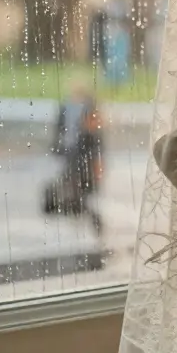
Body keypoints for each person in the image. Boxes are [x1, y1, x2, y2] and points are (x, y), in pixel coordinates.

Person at [51, 83, 104, 238]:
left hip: (83, 157)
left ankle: (93, 224)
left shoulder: (89, 109)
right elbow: (59, 129)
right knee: (76, 192)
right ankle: (90, 225)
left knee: (81, 194)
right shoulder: (66, 108)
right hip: (71, 156)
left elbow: (96, 138)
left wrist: (97, 161)